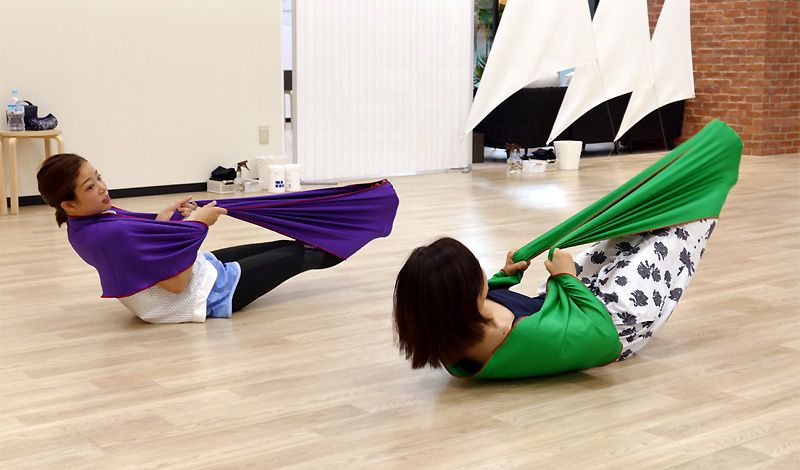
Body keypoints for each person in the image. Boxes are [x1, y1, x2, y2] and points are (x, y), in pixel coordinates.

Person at [37, 153, 342, 324]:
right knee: (303, 254)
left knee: (286, 245)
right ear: (69, 204)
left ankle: (344, 233)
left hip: (200, 272)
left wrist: (166, 220)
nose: (102, 188)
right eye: (90, 187)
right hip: (202, 296)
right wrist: (198, 225)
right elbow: (175, 284)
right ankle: (350, 237)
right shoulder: (107, 232)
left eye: (99, 177)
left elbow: (142, 253)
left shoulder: (86, 223)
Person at [394, 218, 717, 379]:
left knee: (636, 227)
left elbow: (475, 301)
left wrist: (506, 276)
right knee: (685, 225)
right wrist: (566, 278)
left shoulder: (449, 327)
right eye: (475, 271)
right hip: (614, 320)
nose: (482, 273)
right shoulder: (517, 336)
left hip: (564, 304)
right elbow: (602, 339)